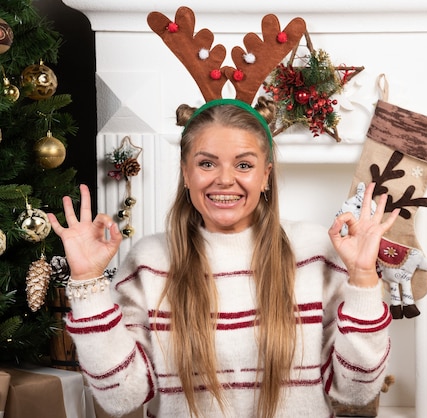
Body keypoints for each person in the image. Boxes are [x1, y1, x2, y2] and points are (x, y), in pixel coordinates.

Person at [49, 96, 399, 418]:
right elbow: (119, 397)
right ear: (186, 173)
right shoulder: (150, 262)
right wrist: (87, 283)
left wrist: (364, 277)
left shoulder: (314, 252)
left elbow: (356, 391)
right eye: (207, 164)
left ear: (266, 175)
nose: (225, 180)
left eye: (244, 165)